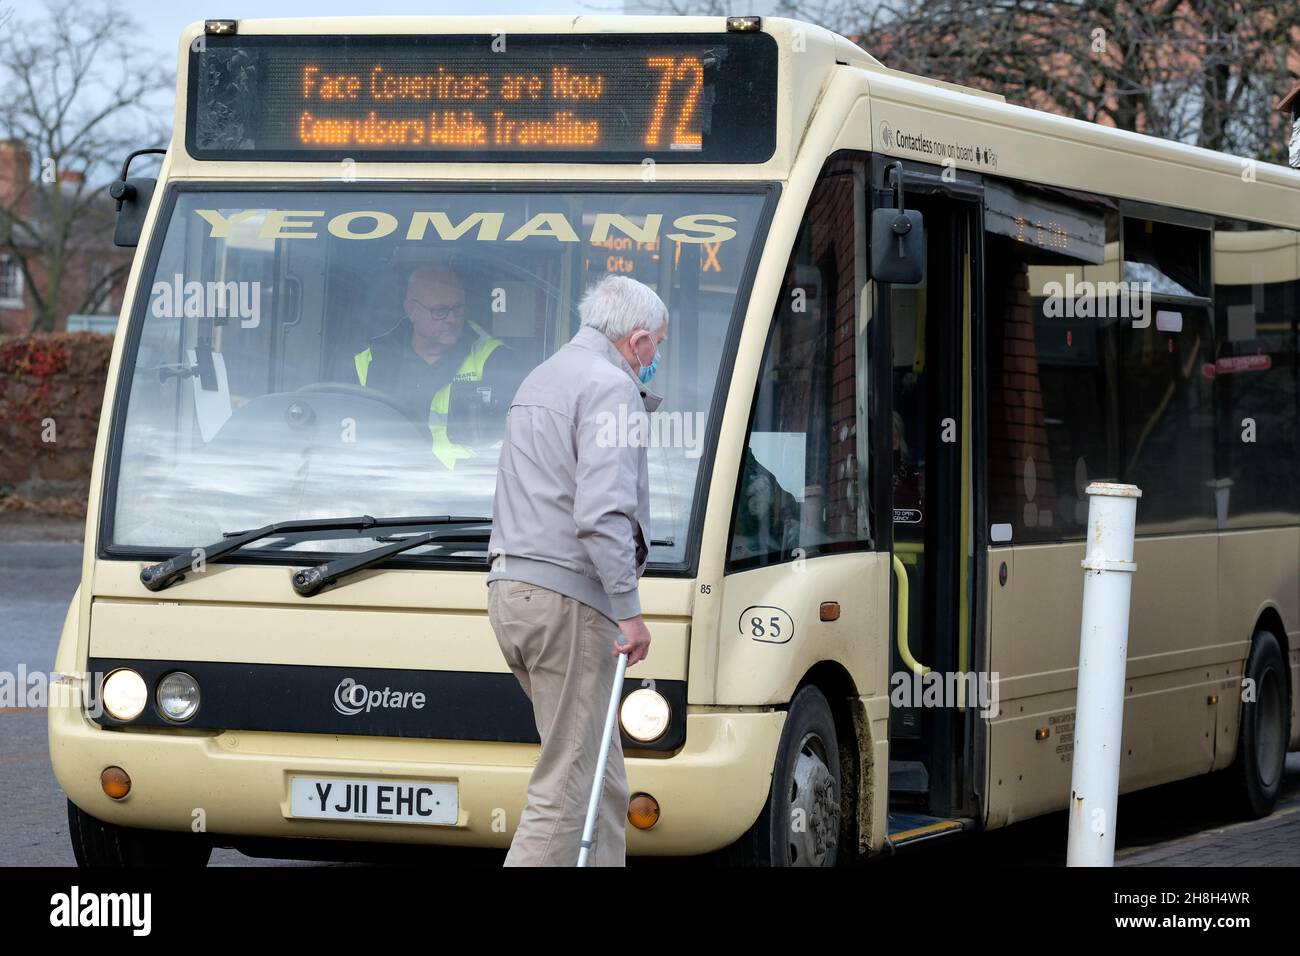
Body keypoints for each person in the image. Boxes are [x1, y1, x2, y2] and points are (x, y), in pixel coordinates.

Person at [485, 274, 667, 867]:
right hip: (570, 601)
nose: (655, 360)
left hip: (514, 591)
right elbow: (601, 514)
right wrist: (630, 611)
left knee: (600, 786)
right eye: (656, 347)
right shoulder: (610, 387)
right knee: (567, 785)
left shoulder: (542, 376)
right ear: (637, 340)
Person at [352, 262, 521, 468]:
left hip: (461, 490)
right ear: (412, 310)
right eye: (440, 311)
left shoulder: (497, 360)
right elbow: (346, 438)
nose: (451, 319)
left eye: (458, 308)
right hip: (387, 485)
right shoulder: (369, 363)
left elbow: (514, 444)